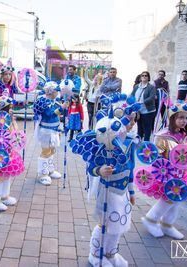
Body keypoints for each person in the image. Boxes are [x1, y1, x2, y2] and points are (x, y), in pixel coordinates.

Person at [71, 94, 140, 267]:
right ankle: (95, 254)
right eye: (128, 120)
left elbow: (130, 168)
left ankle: (110, 253)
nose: (131, 124)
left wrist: (131, 191)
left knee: (119, 224)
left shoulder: (130, 143)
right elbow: (91, 167)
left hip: (122, 191)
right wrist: (100, 170)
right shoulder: (103, 142)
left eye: (133, 120)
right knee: (106, 224)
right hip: (107, 189)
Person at [141, 100, 187, 240]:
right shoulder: (163, 136)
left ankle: (167, 224)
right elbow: (155, 157)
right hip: (166, 174)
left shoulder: (185, 134)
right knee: (169, 199)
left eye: (185, 117)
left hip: (182, 174)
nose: (183, 121)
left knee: (177, 199)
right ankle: (150, 219)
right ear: (172, 118)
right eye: (180, 117)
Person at [33, 81, 67, 186]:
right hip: (46, 131)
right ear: (51, 91)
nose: (58, 93)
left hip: (54, 130)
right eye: (56, 91)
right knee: (46, 151)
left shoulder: (53, 101)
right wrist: (62, 108)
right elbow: (50, 114)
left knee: (52, 150)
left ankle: (50, 170)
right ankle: (42, 174)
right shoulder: (44, 101)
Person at [130, 71, 156, 141]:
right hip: (138, 111)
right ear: (140, 77)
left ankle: (146, 142)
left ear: (148, 78)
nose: (144, 77)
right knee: (139, 127)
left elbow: (152, 97)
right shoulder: (136, 86)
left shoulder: (151, 87)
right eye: (143, 75)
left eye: (146, 76)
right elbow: (132, 95)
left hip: (148, 111)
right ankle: (139, 142)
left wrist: (141, 102)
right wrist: (130, 101)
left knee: (147, 128)